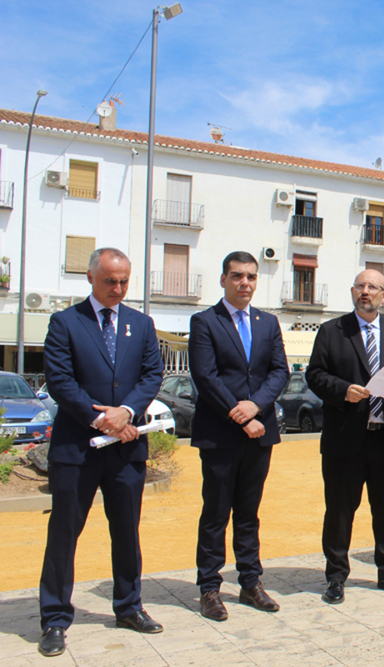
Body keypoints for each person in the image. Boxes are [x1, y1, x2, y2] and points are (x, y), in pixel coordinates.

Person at [37, 248, 165, 657]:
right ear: (91, 278)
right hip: (78, 448)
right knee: (64, 534)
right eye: (110, 280)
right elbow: (59, 380)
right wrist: (101, 419)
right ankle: (55, 618)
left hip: (127, 449)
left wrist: (126, 411)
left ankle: (128, 606)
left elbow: (152, 375)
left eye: (125, 280)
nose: (118, 288)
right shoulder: (64, 323)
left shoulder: (141, 324)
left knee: (127, 531)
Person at [305, 269, 384, 604]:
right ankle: (336, 576)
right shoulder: (332, 331)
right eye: (361, 286)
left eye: (373, 287)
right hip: (346, 438)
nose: (366, 292)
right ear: (352, 292)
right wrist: (343, 390)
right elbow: (314, 374)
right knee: (340, 511)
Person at [188, 251, 289, 622]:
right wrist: (242, 414)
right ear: (223, 280)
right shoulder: (204, 322)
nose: (244, 282)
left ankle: (250, 582)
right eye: (236, 276)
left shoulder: (267, 322)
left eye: (250, 276)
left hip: (260, 435)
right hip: (221, 435)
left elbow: (280, 372)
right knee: (215, 514)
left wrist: (257, 406)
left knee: (249, 513)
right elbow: (205, 377)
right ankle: (209, 588)